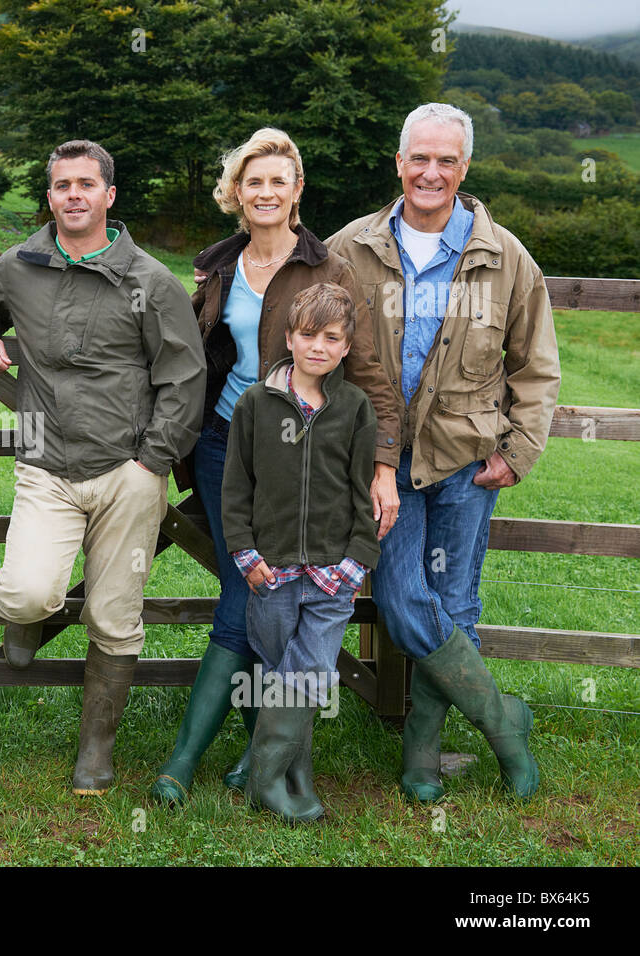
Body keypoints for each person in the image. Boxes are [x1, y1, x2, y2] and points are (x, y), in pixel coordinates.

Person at [151, 128, 400, 808]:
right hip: (223, 445)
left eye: (277, 181)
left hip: (305, 457)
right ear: (236, 192)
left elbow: (372, 376)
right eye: (252, 181)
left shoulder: (330, 271)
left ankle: (194, 759)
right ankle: (257, 757)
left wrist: (382, 466)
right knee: (254, 585)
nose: (264, 192)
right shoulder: (217, 266)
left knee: (257, 598)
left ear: (296, 192)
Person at [327, 103, 561, 801]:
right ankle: (502, 723)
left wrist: (518, 451)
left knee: (456, 605)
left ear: (465, 167)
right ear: (398, 163)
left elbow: (536, 364)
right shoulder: (350, 248)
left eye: (446, 160)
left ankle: (422, 751)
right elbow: (317, 346)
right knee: (402, 602)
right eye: (419, 158)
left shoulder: (504, 255)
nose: (432, 172)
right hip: (383, 465)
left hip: (467, 462)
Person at [0, 140, 208, 796]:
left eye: (86, 184)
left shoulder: (151, 281)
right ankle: (28, 621)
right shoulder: (19, 265)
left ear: (109, 196)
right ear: (50, 196)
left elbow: (185, 376)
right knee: (27, 592)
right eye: (62, 184)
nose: (74, 194)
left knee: (115, 615)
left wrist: (152, 461)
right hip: (47, 465)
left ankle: (95, 749)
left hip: (128, 472)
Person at [221, 283, 380, 822]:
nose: (318, 346)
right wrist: (245, 554)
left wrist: (357, 561)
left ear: (345, 346)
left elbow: (364, 494)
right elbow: (236, 488)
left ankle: (263, 779)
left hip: (333, 575)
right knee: (277, 670)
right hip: (272, 572)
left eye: (331, 338)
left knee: (308, 673)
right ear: (289, 337)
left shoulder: (354, 408)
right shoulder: (254, 404)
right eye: (308, 334)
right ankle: (293, 774)